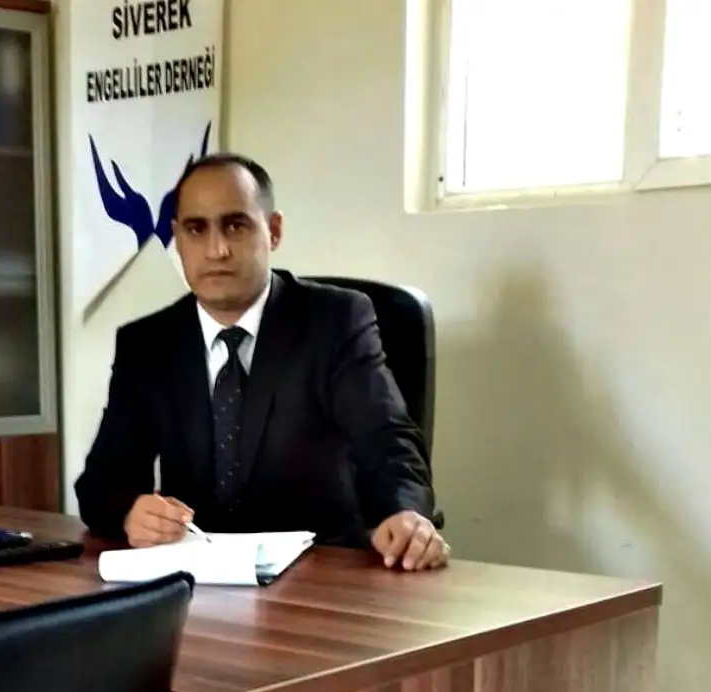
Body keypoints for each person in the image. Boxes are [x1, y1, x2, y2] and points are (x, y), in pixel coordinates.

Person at [74, 153, 449, 571]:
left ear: (273, 231)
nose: (216, 249)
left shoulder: (335, 321)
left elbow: (386, 438)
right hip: (199, 575)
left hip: (322, 572)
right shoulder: (147, 343)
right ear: (176, 238)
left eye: (235, 226)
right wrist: (129, 512)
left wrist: (403, 511)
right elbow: (101, 482)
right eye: (196, 229)